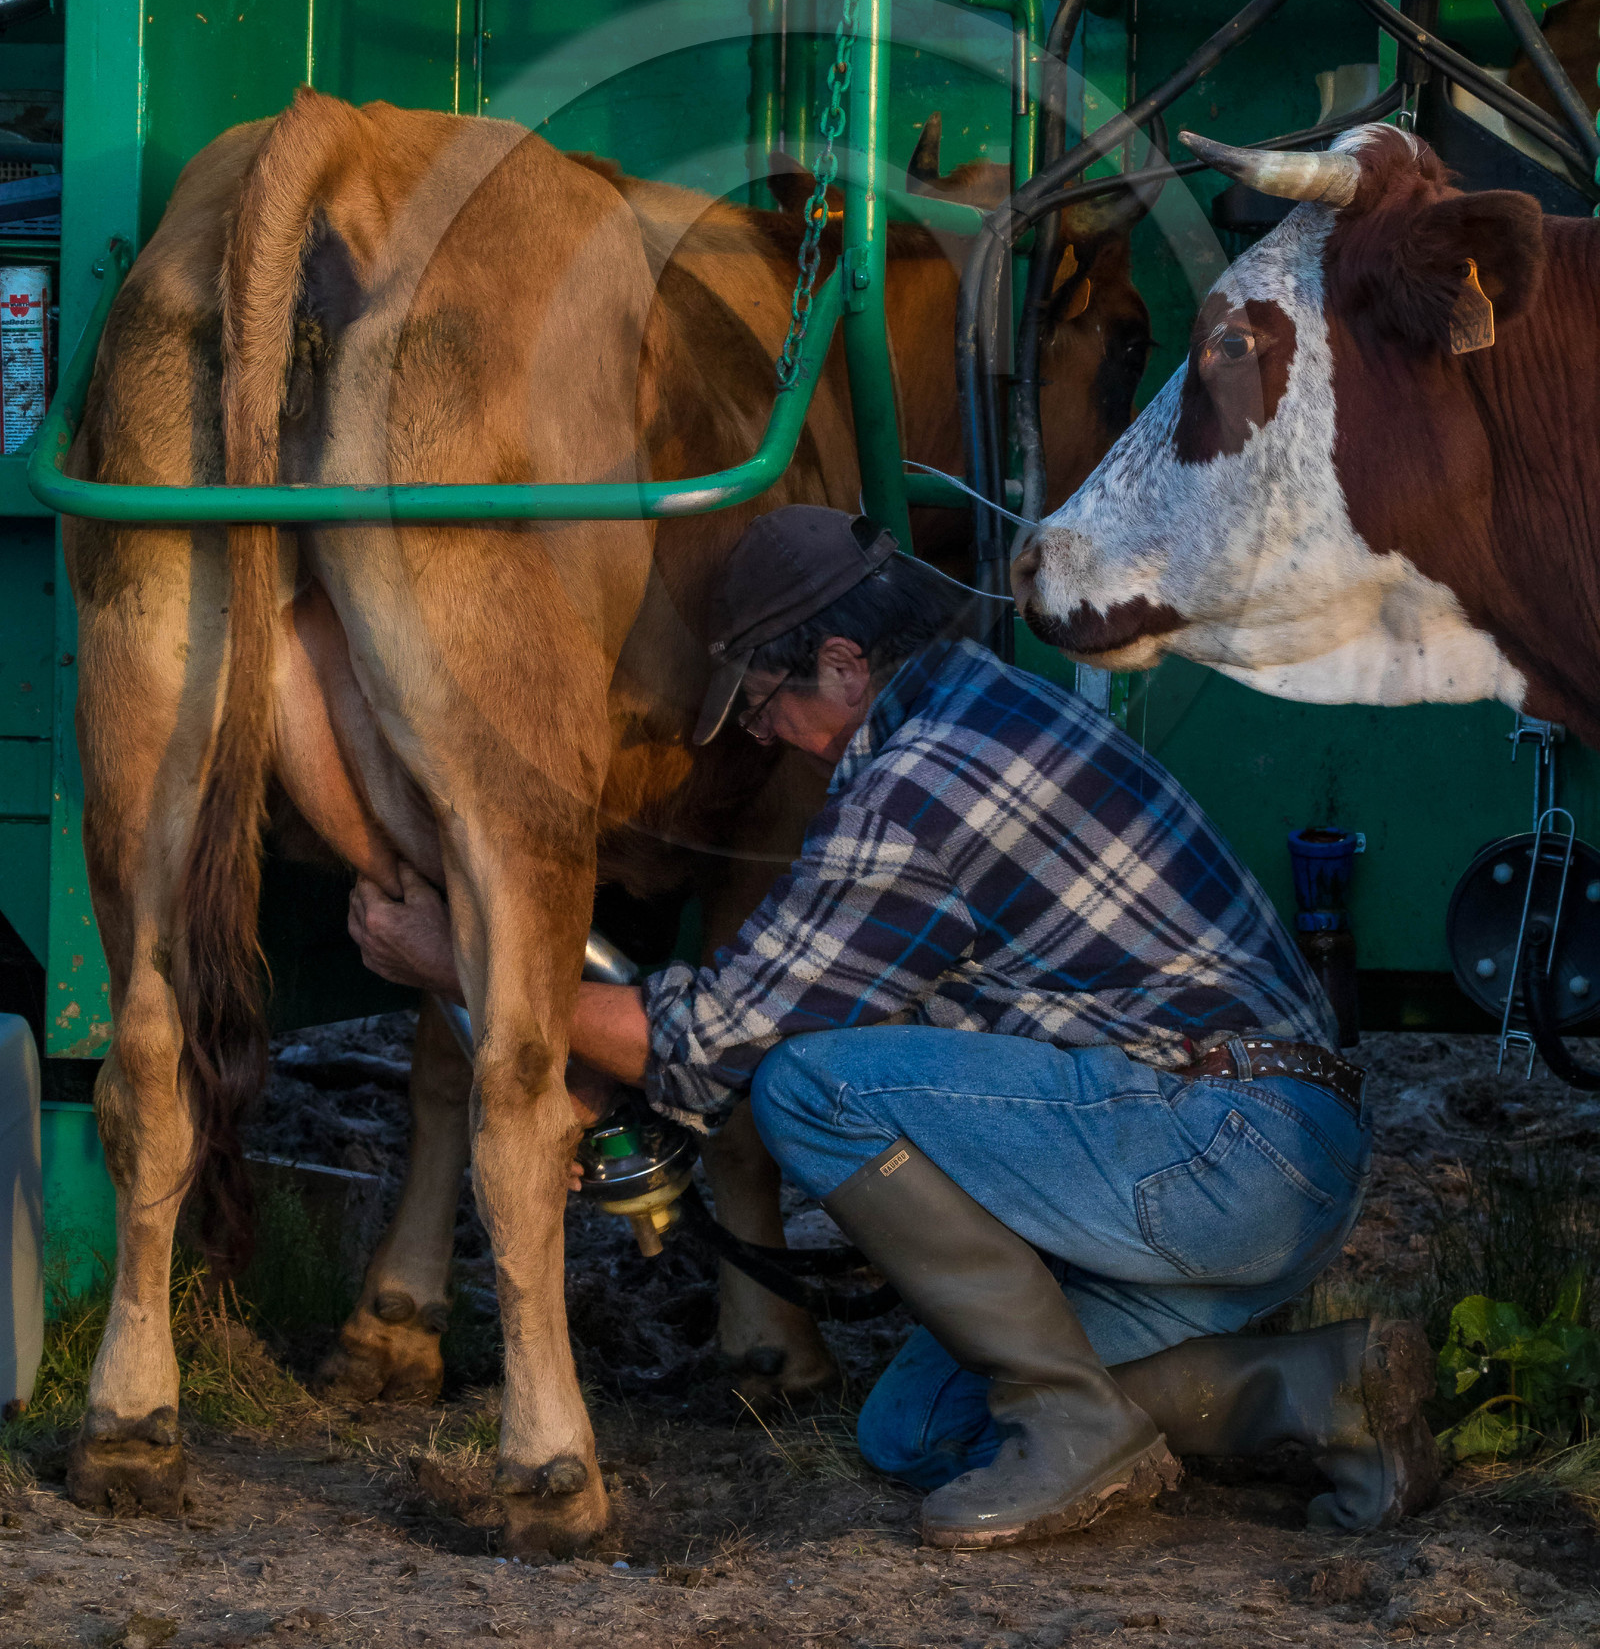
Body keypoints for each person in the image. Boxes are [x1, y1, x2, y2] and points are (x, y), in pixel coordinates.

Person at [350, 504, 1436, 1551]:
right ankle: (1323, 1390)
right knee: (914, 1434)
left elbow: (712, 1044)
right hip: (1261, 1154)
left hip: (1215, 1151)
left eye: (764, 699)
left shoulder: (916, 789)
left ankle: (1073, 1418)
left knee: (810, 1090)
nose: (763, 733)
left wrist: (454, 961)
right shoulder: (985, 706)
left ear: (840, 663)